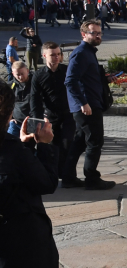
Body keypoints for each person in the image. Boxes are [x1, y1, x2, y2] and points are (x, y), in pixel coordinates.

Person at [0, 86, 59, 268]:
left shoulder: (15, 151)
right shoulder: (13, 151)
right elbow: (45, 182)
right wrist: (43, 145)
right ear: (8, 114)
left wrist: (26, 145)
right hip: (18, 255)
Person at [65, 20, 114, 190]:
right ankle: (92, 179)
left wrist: (106, 79)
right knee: (95, 141)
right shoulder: (81, 53)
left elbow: (87, 78)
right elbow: (70, 81)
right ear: (84, 34)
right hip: (88, 106)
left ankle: (68, 178)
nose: (98, 36)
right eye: (94, 33)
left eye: (99, 33)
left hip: (91, 103)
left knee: (79, 141)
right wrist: (83, 103)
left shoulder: (88, 52)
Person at [30, 42, 73, 182]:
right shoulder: (38, 75)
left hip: (68, 114)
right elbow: (35, 99)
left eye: (58, 54)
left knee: (67, 144)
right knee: (53, 146)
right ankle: (54, 173)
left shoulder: (67, 71)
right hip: (50, 116)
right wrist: (38, 122)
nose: (56, 57)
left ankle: (65, 175)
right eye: (52, 55)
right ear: (44, 56)